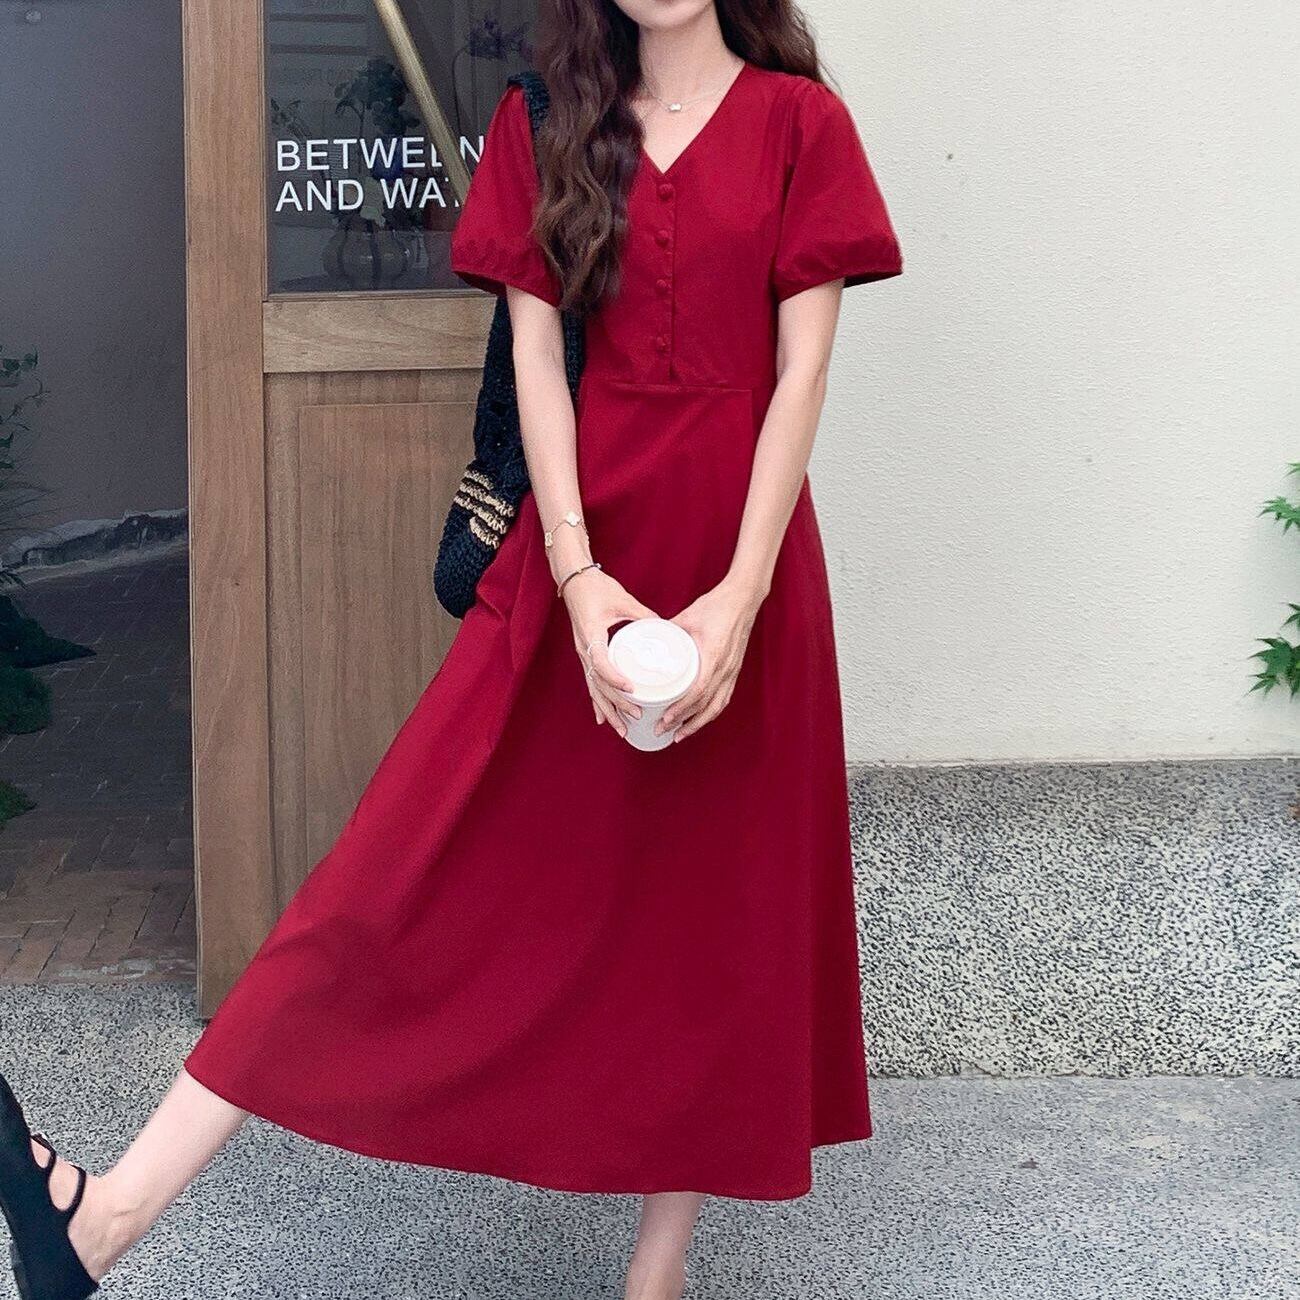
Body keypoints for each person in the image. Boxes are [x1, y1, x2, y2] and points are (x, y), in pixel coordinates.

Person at [0, 1, 902, 1297]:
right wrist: (578, 580)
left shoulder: (802, 124)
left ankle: (657, 1272)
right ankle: (107, 1217)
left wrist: (741, 598)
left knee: (714, 904)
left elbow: (802, 374)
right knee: (388, 868)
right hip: (577, 552)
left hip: (743, 567)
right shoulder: (549, 123)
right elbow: (536, 357)